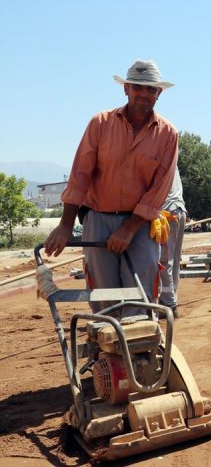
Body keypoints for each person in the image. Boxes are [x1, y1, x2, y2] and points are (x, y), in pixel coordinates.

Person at [43, 59, 179, 311]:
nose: (144, 94)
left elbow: (159, 188)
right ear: (126, 88)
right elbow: (80, 175)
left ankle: (138, 345)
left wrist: (128, 229)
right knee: (104, 293)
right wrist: (65, 225)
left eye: (151, 89)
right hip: (98, 219)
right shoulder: (101, 123)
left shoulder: (168, 134)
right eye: (138, 87)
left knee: (140, 289)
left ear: (159, 93)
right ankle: (109, 346)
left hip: (140, 224)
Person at [158, 166, 186, 317]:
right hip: (178, 211)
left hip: (168, 213)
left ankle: (169, 303)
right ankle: (171, 298)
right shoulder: (171, 161)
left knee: (164, 260)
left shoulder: (160, 159)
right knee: (174, 260)